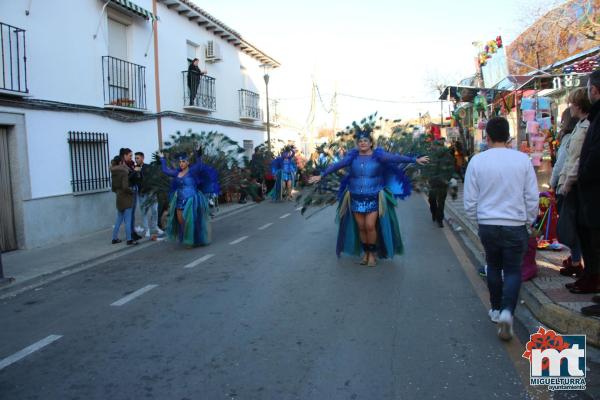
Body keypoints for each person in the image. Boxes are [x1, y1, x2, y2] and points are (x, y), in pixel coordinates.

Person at [464, 116, 538, 341]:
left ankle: (496, 309)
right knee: (513, 270)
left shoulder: (477, 161)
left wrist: (476, 220)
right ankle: (507, 312)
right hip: (515, 225)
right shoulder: (522, 160)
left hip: (488, 224)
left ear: (487, 137)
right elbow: (531, 197)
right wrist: (529, 220)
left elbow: (470, 199)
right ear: (508, 137)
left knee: (493, 267)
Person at [309, 128, 429, 267]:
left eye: (366, 141)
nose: (363, 143)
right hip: (355, 196)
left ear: (371, 143)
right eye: (360, 141)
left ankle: (372, 255)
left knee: (370, 225)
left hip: (374, 196)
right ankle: (366, 253)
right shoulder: (352, 158)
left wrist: (414, 159)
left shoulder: (379, 156)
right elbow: (336, 166)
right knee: (361, 227)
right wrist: (322, 175)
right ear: (357, 144)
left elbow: (396, 158)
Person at [571, 70, 600, 306]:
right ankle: (589, 276)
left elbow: (589, 158)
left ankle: (591, 277)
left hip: (592, 193)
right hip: (588, 193)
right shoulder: (591, 121)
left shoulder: (591, 122)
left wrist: (579, 177)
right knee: (589, 239)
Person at [556, 90, 590, 278]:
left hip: (574, 185)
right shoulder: (580, 127)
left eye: (571, 104)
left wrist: (566, 183)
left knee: (577, 228)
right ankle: (578, 263)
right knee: (573, 227)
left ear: (578, 105)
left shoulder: (586, 127)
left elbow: (578, 159)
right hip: (568, 183)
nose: (570, 107)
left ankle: (583, 266)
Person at [159, 149, 219, 247]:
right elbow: (165, 170)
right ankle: (187, 237)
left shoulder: (192, 171)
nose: (181, 164)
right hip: (179, 199)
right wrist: (162, 159)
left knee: (190, 221)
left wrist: (198, 154)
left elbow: (199, 165)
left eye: (183, 161)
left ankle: (192, 240)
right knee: (181, 221)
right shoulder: (176, 173)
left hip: (191, 199)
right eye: (180, 162)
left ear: (188, 162)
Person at [424, 139, 455, 228]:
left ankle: (436, 216)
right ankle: (439, 219)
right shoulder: (447, 155)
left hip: (435, 183)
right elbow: (451, 169)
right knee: (440, 202)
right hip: (441, 182)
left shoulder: (433, 155)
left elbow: (427, 168)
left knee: (433, 200)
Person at [134, 152, 164, 238]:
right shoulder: (135, 169)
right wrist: (135, 172)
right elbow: (134, 180)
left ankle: (154, 227)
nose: (136, 160)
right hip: (142, 194)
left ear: (142, 158)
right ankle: (146, 229)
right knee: (144, 212)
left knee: (155, 210)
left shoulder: (148, 167)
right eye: (135, 158)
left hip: (151, 193)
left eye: (138, 158)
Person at [110, 156, 137, 245]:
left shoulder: (113, 172)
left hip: (118, 196)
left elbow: (113, 188)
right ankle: (129, 239)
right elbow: (125, 187)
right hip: (126, 197)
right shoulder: (124, 172)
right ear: (121, 162)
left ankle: (114, 238)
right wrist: (132, 191)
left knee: (119, 219)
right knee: (128, 220)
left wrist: (118, 192)